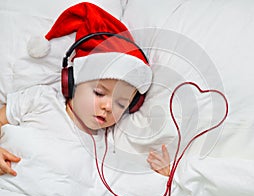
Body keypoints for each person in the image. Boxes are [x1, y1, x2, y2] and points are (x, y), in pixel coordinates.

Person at [0, 2, 170, 179]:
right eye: (99, 93)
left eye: (121, 103)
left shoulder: (109, 144)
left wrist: (163, 177)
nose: (108, 107)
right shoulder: (40, 99)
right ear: (72, 81)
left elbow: (127, 184)